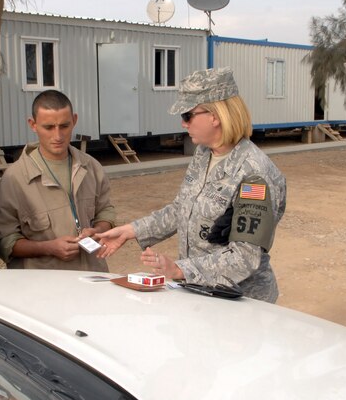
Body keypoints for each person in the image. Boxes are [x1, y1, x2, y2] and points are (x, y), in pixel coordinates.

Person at [98, 67, 287, 301]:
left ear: (215, 115)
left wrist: (180, 270)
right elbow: (181, 208)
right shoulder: (204, 154)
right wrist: (130, 231)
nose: (183, 123)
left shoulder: (253, 173)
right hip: (202, 292)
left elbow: (245, 257)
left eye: (188, 115)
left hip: (240, 302)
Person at [0, 90, 116, 271]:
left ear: (74, 120)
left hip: (92, 280)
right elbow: (4, 240)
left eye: (64, 126)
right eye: (49, 127)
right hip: (42, 288)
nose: (58, 136)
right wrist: (48, 248)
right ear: (33, 124)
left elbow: (105, 211)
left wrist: (98, 231)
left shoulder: (91, 167)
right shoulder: (14, 179)